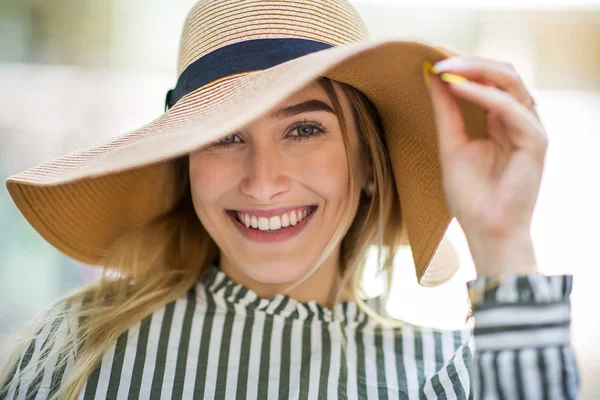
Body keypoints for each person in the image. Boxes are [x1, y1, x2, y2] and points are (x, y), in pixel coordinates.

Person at [0, 1, 580, 399]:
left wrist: (503, 241)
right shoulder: (79, 352)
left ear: (368, 163)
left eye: (304, 129)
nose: (262, 181)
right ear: (187, 168)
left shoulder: (445, 378)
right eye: (223, 136)